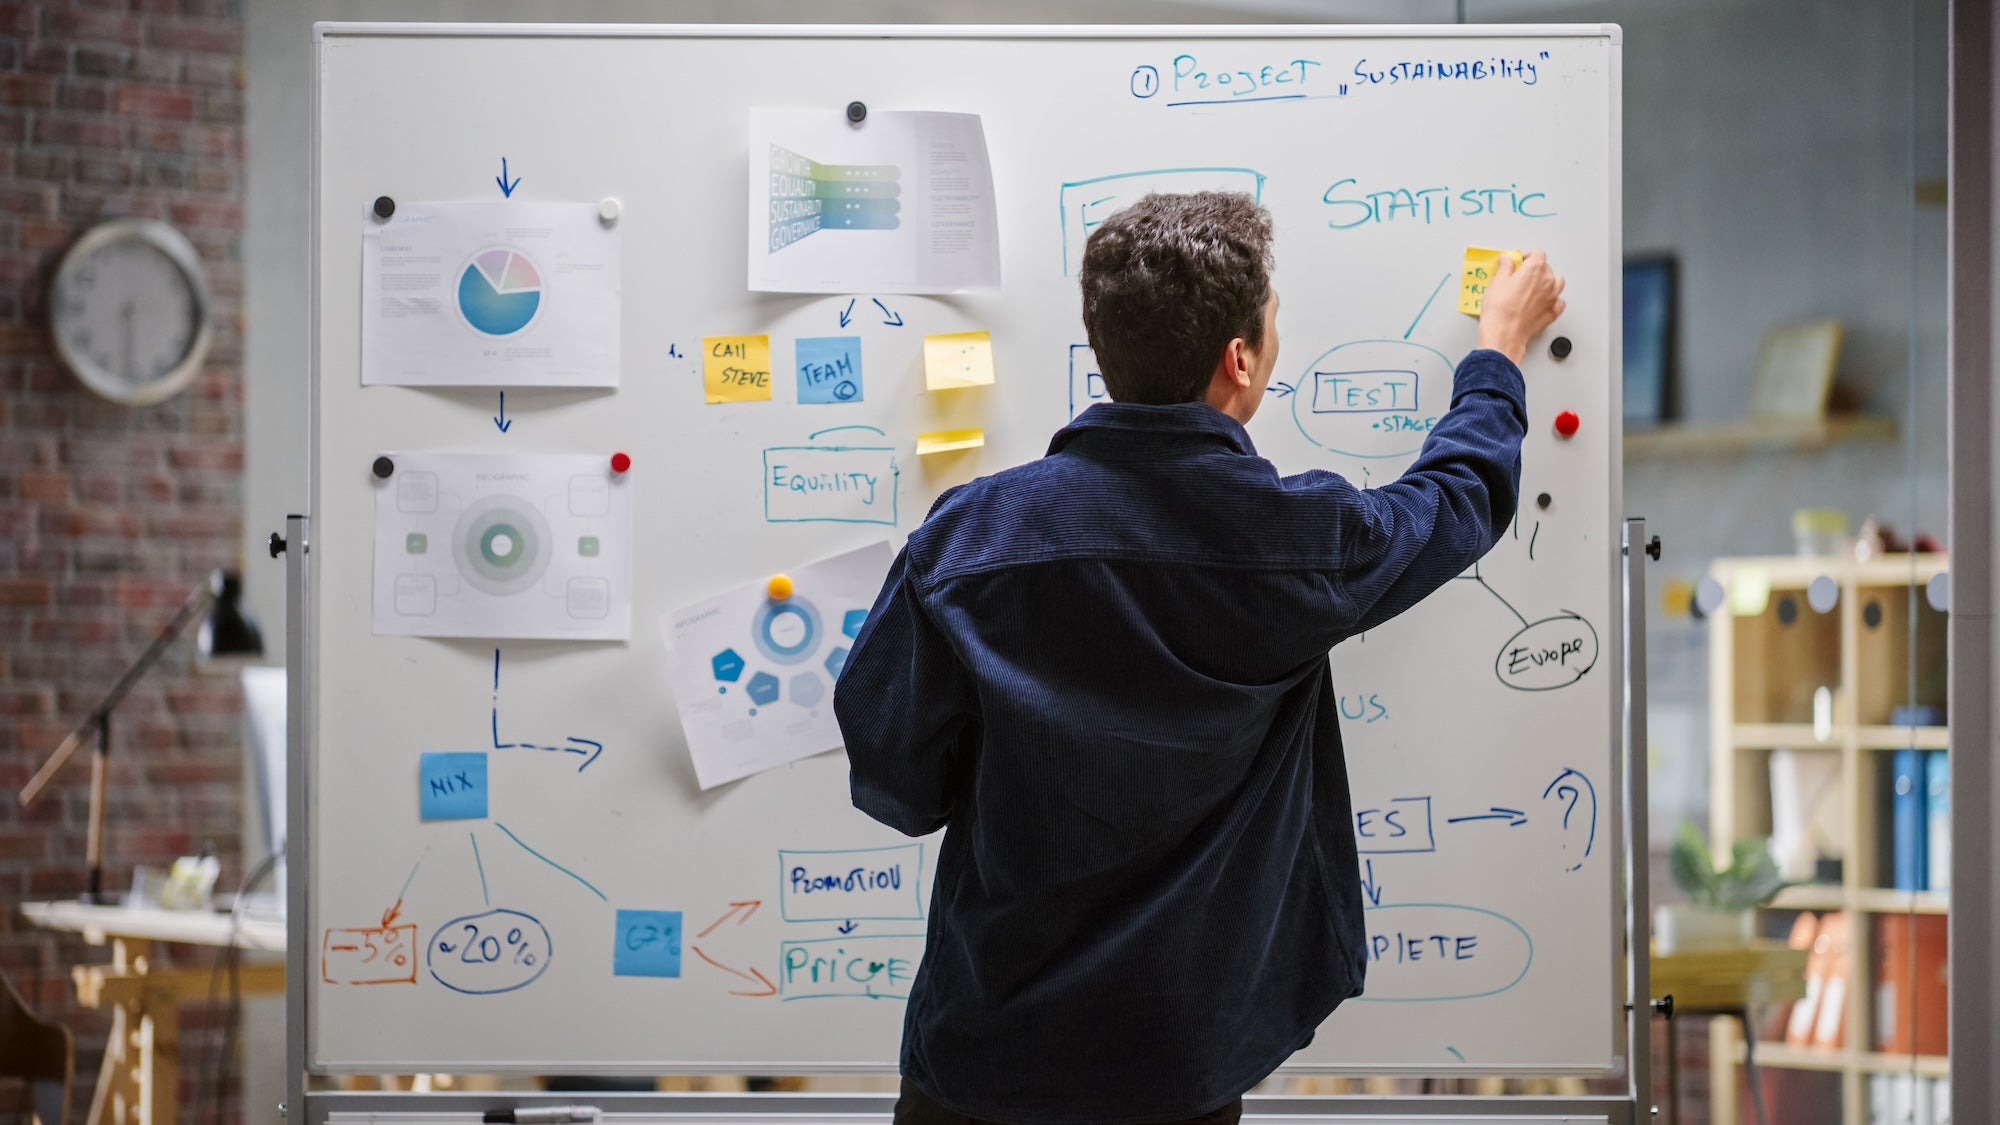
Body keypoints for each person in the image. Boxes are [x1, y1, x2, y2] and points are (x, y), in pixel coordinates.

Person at [833, 191, 1567, 1125]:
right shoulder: (1301, 539)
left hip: (979, 1061)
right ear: (1242, 359)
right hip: (1175, 1069)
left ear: (1106, 345)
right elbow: (1460, 498)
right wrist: (1497, 353)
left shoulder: (969, 540)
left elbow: (896, 781)